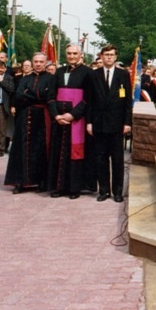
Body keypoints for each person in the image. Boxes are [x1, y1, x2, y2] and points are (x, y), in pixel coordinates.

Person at [4, 52, 57, 194]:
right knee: (21, 149)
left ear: (45, 63)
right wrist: (36, 94)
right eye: (36, 61)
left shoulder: (51, 78)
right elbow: (19, 95)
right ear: (32, 63)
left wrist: (30, 94)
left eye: (41, 62)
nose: (38, 64)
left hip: (42, 118)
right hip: (24, 117)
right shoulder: (25, 79)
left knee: (40, 149)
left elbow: (47, 96)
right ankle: (21, 182)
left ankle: (41, 181)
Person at [86, 44, 133, 203]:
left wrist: (127, 122)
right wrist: (89, 122)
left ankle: (117, 191)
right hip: (99, 123)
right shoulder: (94, 75)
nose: (109, 58)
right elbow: (90, 101)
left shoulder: (123, 74)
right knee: (101, 158)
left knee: (118, 159)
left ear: (115, 57)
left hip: (116, 124)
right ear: (101, 56)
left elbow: (127, 101)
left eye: (112, 55)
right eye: (106, 55)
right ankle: (104, 190)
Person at [48, 44, 93, 199]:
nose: (72, 56)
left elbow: (88, 99)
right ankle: (60, 187)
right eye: (69, 53)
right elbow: (51, 96)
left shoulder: (87, 72)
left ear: (80, 54)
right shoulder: (59, 72)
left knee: (75, 154)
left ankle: (74, 189)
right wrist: (56, 116)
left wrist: (72, 115)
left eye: (75, 53)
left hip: (76, 120)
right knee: (59, 152)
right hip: (60, 120)